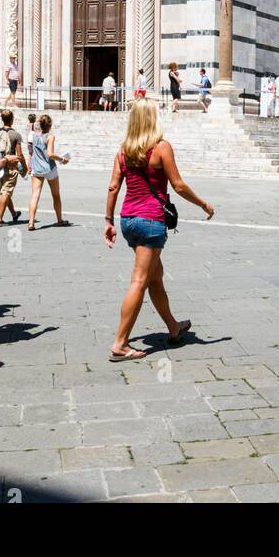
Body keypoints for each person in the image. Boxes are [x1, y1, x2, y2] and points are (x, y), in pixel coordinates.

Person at [103, 100, 214, 361]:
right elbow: (178, 185)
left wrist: (108, 220)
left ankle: (174, 328)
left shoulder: (123, 151)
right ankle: (120, 343)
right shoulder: (161, 148)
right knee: (140, 280)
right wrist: (203, 204)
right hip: (151, 221)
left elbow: (113, 187)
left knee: (155, 275)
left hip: (128, 220)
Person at [27, 113, 70, 230]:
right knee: (56, 195)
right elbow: (50, 154)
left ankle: (31, 222)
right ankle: (59, 220)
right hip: (49, 168)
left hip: (37, 168)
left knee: (35, 195)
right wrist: (62, 159)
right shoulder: (50, 136)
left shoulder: (34, 136)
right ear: (50, 126)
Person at [0, 109, 27, 225]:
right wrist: (24, 168)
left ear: (2, 119)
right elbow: (19, 155)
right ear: (12, 119)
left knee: (5, 190)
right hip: (10, 166)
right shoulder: (15, 135)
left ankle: (14, 214)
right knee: (6, 191)